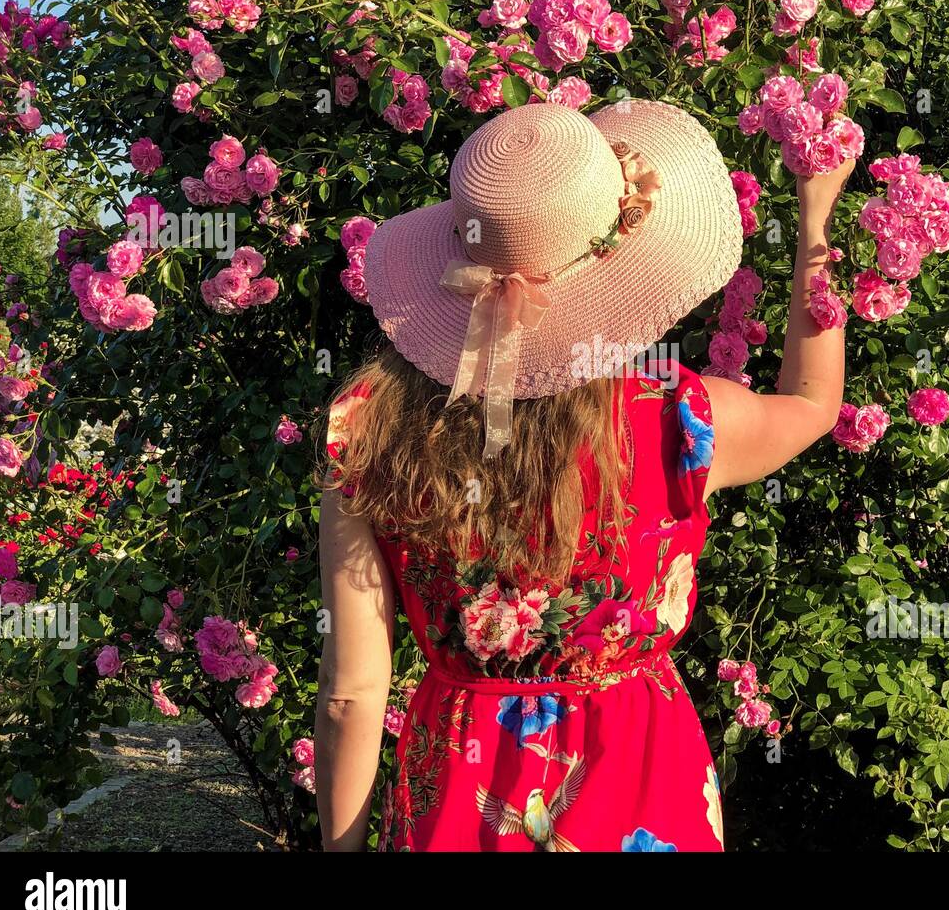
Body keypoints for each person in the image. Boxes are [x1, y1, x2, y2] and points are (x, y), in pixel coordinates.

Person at [316, 99, 852, 851]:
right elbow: (810, 401)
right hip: (642, 787)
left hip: (459, 806)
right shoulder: (678, 420)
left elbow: (351, 694)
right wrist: (816, 217)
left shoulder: (367, 427)